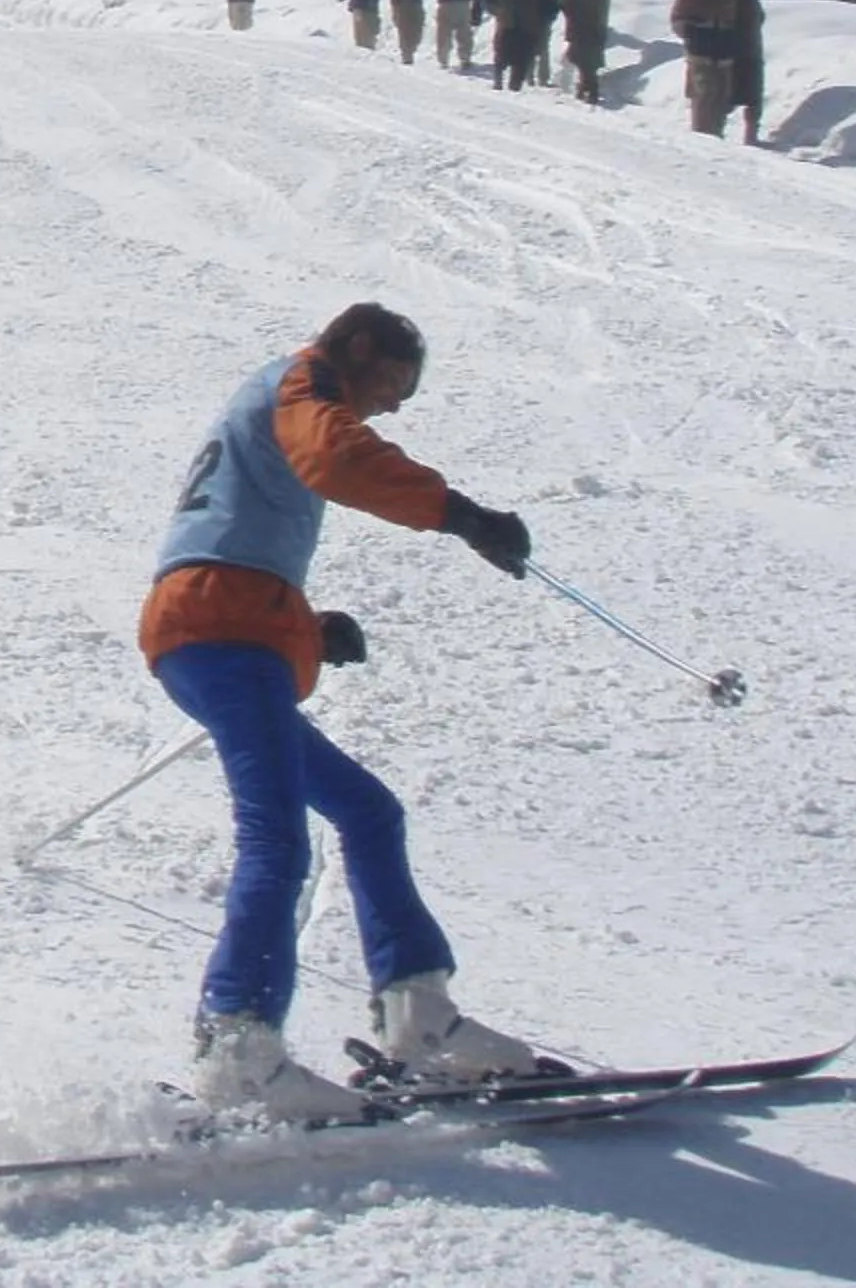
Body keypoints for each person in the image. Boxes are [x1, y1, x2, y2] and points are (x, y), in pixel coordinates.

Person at [140, 302, 542, 1121]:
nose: (392, 404)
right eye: (393, 382)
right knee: (278, 837)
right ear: (357, 348)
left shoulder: (280, 398)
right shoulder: (303, 384)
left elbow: (235, 526)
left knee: (367, 810)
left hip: (228, 620)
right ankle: (241, 1047)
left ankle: (417, 1013)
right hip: (218, 625)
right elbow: (334, 458)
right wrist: (461, 516)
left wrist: (307, 628)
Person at [670, 0, 739, 136]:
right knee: (704, 92)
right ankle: (702, 132)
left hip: (723, 47)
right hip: (700, 48)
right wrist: (691, 30)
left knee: (722, 93)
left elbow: (736, 17)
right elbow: (678, 17)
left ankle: (717, 130)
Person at [483, 0, 539, 91]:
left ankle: (515, 84)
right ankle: (498, 80)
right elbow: (488, 0)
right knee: (501, 52)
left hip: (523, 22)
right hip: (506, 21)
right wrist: (499, 11)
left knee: (520, 56)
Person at [560, 0, 612, 106]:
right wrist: (574, 17)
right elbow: (565, 0)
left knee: (590, 61)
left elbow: (605, 3)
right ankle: (589, 89)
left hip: (596, 26)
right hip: (580, 26)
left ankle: (586, 88)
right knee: (584, 60)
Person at [729, 0, 768, 145]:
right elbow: (760, 17)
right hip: (749, 52)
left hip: (735, 52)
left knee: (731, 94)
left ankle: (720, 128)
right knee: (752, 96)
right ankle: (750, 134)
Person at [525, 0, 562, 88]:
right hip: (527, 18)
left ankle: (543, 78)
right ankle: (528, 76)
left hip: (544, 18)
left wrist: (552, 14)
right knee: (529, 48)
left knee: (543, 49)